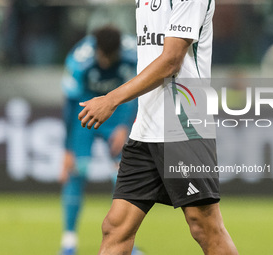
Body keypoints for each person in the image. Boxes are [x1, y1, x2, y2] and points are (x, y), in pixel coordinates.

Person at [79, 1, 239, 255]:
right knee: (115, 227)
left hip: (184, 127)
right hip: (145, 127)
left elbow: (171, 61)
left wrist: (111, 99)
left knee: (204, 227)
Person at [60, 26, 139, 255]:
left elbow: (139, 91)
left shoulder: (133, 54)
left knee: (124, 176)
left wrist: (126, 125)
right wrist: (67, 148)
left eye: (109, 57)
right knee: (77, 170)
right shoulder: (79, 59)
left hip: (117, 114)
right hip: (83, 113)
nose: (104, 61)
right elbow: (68, 102)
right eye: (101, 56)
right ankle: (68, 242)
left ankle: (125, 242)